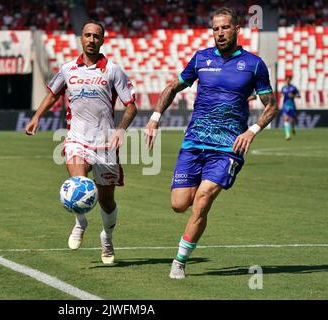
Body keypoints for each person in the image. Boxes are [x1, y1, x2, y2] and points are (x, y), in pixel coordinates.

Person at [145, 7, 278, 279]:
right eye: (216, 28)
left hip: (228, 147)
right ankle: (194, 218)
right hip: (194, 142)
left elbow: (271, 106)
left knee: (202, 200)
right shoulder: (201, 59)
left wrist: (251, 130)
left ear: (237, 29)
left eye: (225, 27)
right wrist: (155, 118)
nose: (220, 33)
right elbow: (172, 87)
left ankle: (179, 261)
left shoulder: (254, 65)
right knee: (179, 203)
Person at [25, 21, 137, 264]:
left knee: (107, 202)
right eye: (87, 35)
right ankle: (80, 221)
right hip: (77, 139)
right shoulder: (67, 70)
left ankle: (107, 237)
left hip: (105, 144)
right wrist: (36, 117)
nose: (92, 39)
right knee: (79, 184)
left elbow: (131, 107)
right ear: (81, 38)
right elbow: (53, 94)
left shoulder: (113, 70)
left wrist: (120, 130)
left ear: (103, 40)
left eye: (96, 36)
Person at [280, 75, 300, 140]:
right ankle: (287, 135)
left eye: (289, 79)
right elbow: (281, 95)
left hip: (292, 105)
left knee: (292, 120)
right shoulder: (283, 88)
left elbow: (299, 95)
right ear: (285, 80)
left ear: (290, 80)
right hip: (285, 105)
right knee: (286, 119)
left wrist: (293, 95)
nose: (288, 80)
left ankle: (293, 127)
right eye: (287, 79)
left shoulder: (293, 88)